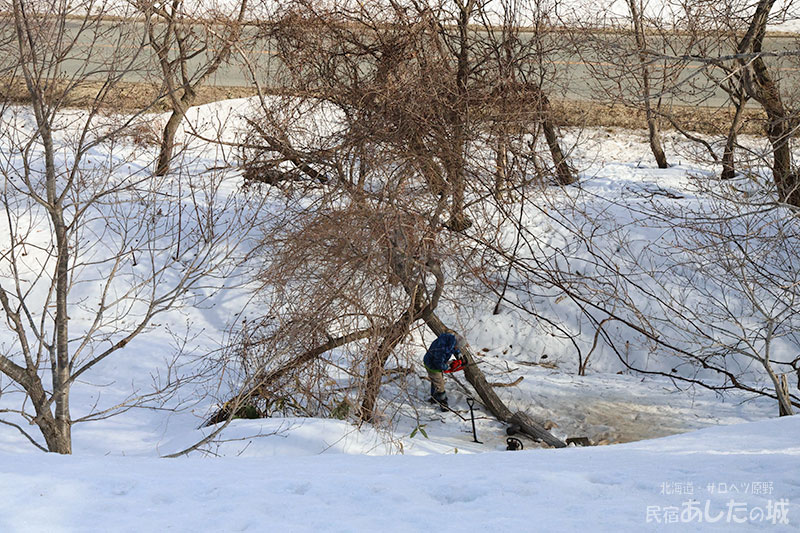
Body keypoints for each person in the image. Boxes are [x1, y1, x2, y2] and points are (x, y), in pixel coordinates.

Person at [423, 331, 466, 407]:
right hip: (432, 365)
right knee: (440, 384)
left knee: (435, 381)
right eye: (458, 347)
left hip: (433, 360)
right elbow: (438, 363)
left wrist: (458, 353)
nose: (457, 348)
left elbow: (453, 347)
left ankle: (434, 397)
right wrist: (447, 367)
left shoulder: (449, 338)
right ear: (456, 344)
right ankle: (442, 402)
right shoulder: (442, 349)